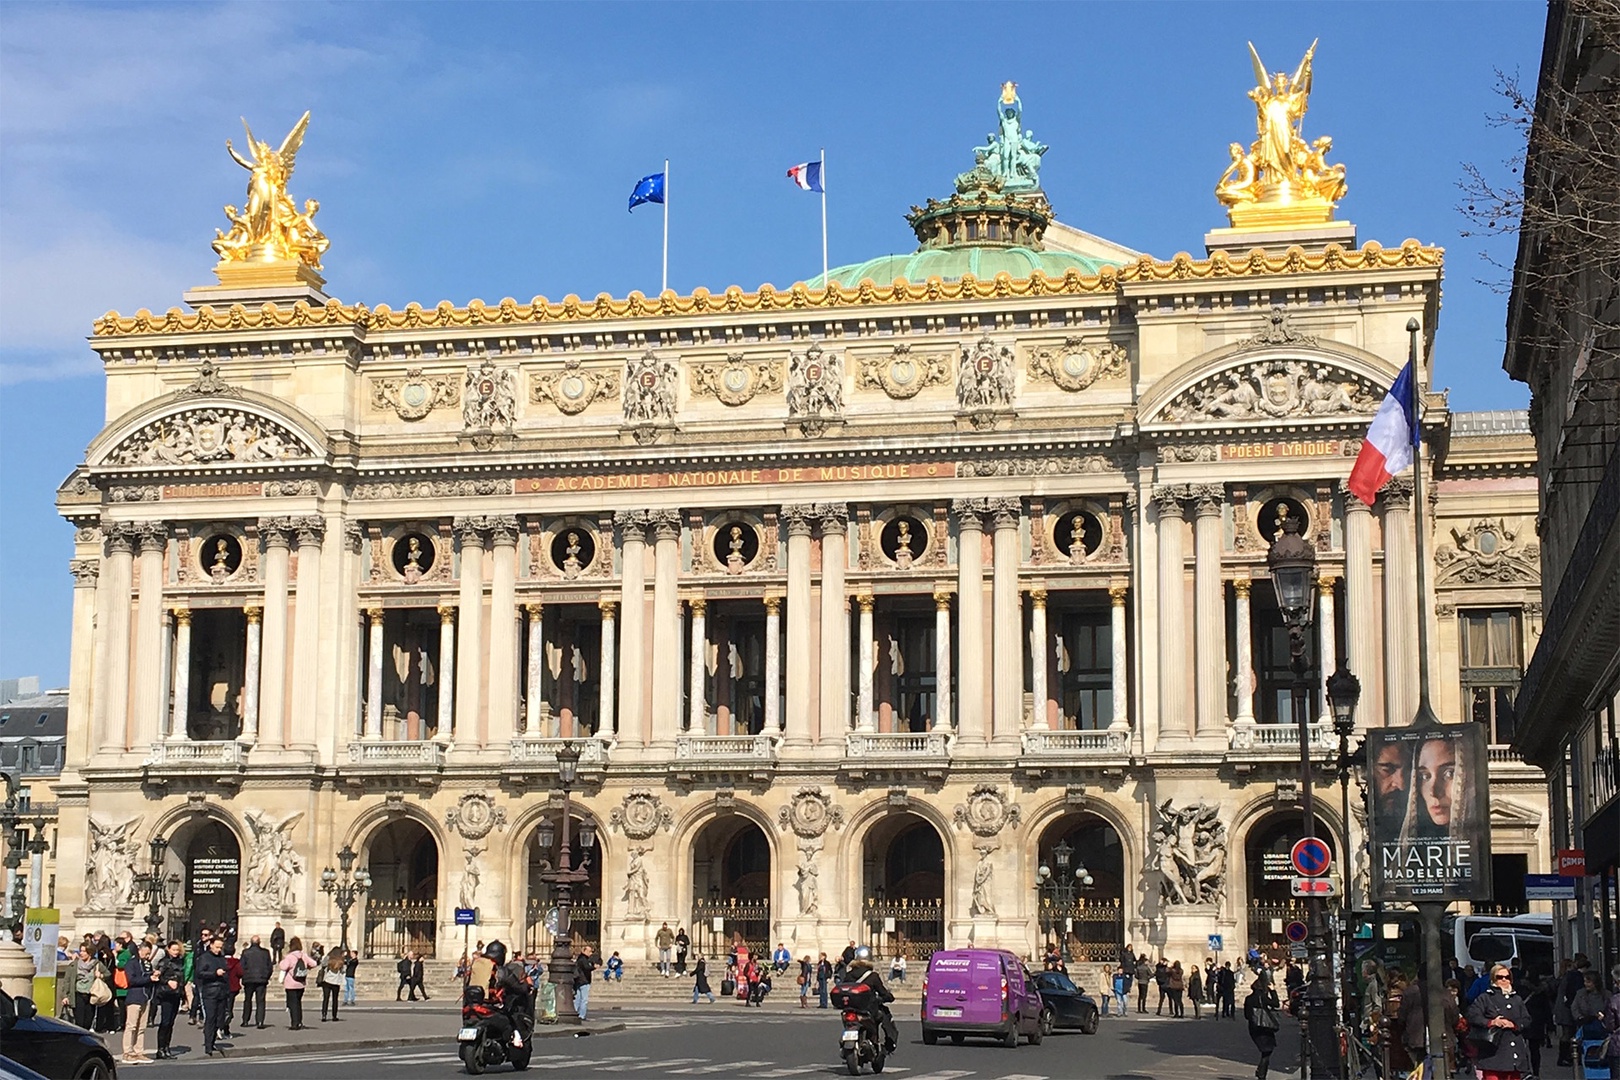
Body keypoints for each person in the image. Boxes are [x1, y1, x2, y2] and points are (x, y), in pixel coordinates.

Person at [1466, 964, 1533, 1080]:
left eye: (1507, 977)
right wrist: (1491, 1022)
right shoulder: (1485, 998)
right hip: (1493, 1054)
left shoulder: (1517, 999)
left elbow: (1527, 1019)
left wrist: (1514, 1025)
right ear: (1493, 979)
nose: (1504, 980)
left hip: (1513, 1054)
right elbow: (1472, 1016)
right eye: (1500, 977)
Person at [843, 947, 898, 1055]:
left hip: (851, 1009)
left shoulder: (848, 975)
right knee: (884, 1015)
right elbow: (882, 992)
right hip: (867, 1010)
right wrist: (889, 997)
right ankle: (888, 1042)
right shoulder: (873, 976)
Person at [120, 941, 156, 1066]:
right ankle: (127, 1052)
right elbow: (132, 980)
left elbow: (147, 976)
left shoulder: (147, 964)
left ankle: (138, 1051)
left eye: (149, 954)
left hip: (146, 997)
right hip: (134, 997)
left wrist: (153, 975)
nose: (147, 956)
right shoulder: (131, 963)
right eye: (146, 953)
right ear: (140, 950)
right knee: (131, 1026)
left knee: (142, 1027)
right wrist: (148, 978)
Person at [195, 937, 230, 1057]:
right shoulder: (204, 957)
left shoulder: (221, 957)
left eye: (220, 947)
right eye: (217, 947)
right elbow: (200, 973)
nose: (218, 949)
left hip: (221, 990)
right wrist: (215, 973)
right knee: (211, 1018)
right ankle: (208, 1045)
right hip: (210, 991)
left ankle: (213, 1041)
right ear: (211, 945)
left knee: (220, 1018)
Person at [1244, 970, 1282, 1080]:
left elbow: (1246, 1015)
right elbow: (1276, 1004)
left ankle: (1261, 1071)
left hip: (1253, 1027)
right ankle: (1261, 1074)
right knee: (1267, 1051)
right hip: (1265, 1027)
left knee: (1265, 1051)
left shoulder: (1248, 998)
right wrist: (1273, 991)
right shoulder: (1263, 997)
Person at [278, 935, 316, 1030]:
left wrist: (283, 959)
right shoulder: (303, 955)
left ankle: (294, 1023)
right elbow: (314, 963)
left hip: (291, 984)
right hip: (300, 983)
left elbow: (283, 966)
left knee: (292, 1004)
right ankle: (299, 1021)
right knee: (298, 1003)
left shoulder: (290, 957)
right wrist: (307, 967)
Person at [239, 934, 272, 1029]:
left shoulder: (245, 952)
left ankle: (245, 1020)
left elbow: (241, 966)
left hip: (248, 979)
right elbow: (269, 966)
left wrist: (244, 976)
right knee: (260, 1001)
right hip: (261, 979)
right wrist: (266, 976)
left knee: (247, 1000)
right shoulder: (265, 952)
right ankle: (260, 1021)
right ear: (259, 942)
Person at [572, 944, 598, 1021]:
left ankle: (575, 1012)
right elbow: (587, 968)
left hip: (579, 981)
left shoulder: (580, 958)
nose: (590, 953)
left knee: (577, 999)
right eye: (589, 951)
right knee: (584, 999)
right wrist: (594, 967)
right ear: (584, 951)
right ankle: (581, 1015)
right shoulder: (583, 959)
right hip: (584, 980)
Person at [319, 947, 344, 1021]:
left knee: (325, 999)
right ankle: (334, 1015)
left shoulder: (328, 958)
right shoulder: (340, 960)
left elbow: (323, 965)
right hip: (336, 981)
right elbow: (343, 970)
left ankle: (324, 1015)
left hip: (327, 980)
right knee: (335, 999)